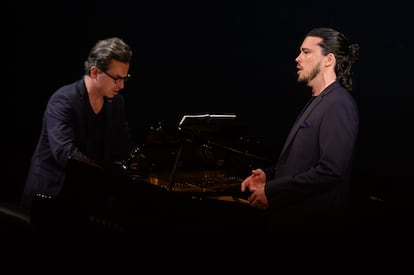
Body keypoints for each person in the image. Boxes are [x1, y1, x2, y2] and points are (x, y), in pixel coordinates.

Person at [241, 27, 360, 231]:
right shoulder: (319, 101)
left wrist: (271, 191)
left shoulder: (338, 103)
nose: (297, 58)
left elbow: (330, 172)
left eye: (306, 52)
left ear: (328, 60)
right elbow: (302, 163)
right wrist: (269, 176)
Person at [21, 37, 136, 220]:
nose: (121, 86)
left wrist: (141, 163)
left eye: (125, 79)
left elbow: (124, 145)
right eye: (116, 79)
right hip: (50, 193)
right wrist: (107, 176)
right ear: (95, 71)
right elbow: (66, 154)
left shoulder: (116, 103)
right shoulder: (63, 101)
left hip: (86, 193)